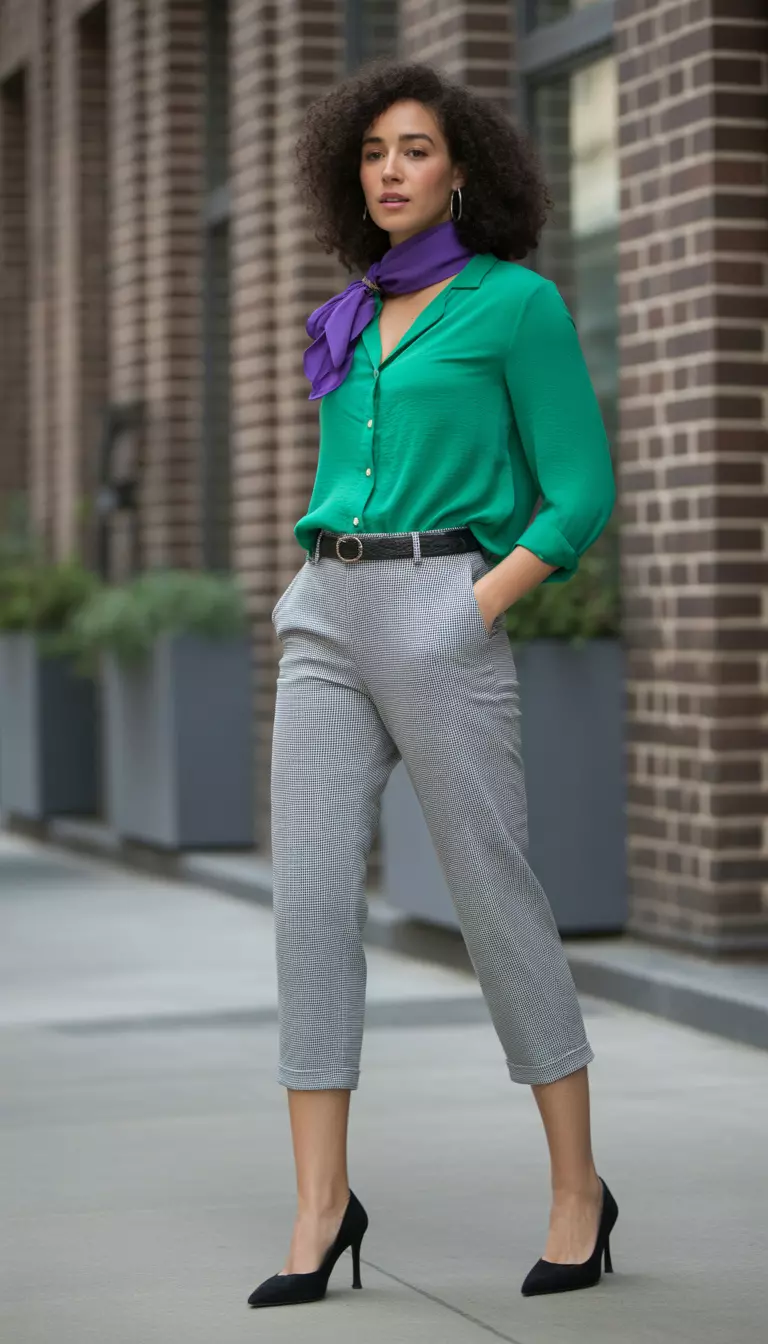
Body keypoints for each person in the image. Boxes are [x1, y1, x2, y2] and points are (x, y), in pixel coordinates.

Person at [248, 59, 618, 1310]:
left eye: (413, 150)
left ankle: (578, 1193)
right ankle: (319, 1208)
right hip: (326, 608)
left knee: (492, 896)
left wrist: (477, 608)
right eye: (371, 154)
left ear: (463, 170)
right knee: (305, 901)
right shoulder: (352, 312)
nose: (390, 171)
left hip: (442, 603)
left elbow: (579, 491)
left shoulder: (515, 305)